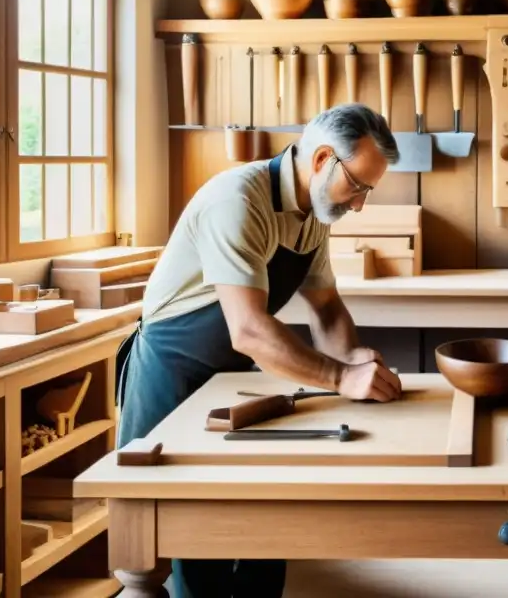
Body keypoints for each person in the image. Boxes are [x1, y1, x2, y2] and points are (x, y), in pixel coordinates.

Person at [115, 103, 404, 598]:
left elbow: (328, 309)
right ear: (321, 161)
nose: (359, 204)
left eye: (367, 191)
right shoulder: (238, 200)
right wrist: (339, 379)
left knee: (260, 528)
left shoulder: (313, 214)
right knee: (185, 540)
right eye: (357, 186)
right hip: (171, 371)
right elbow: (248, 330)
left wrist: (354, 359)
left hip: (228, 377)